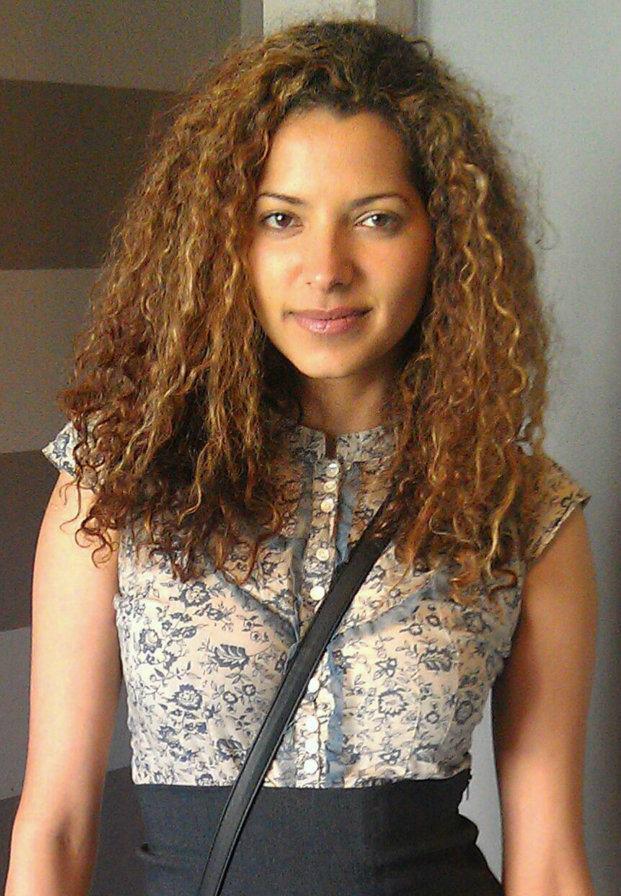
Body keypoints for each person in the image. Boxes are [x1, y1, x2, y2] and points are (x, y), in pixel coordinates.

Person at [6, 15, 598, 896]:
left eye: (376, 219)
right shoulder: (114, 478)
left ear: (443, 238)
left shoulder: (521, 508)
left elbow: (546, 863)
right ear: (223, 242)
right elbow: (53, 827)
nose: (326, 268)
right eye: (280, 218)